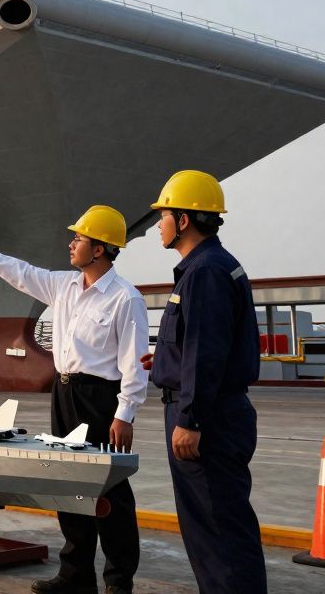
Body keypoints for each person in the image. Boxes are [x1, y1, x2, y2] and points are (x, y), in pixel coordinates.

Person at [0, 205, 148, 594]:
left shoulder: (126, 299)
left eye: (79, 238)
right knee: (68, 481)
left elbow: (134, 363)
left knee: (110, 490)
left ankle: (119, 581)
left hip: (101, 399)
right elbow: (20, 272)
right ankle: (76, 575)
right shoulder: (63, 286)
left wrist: (125, 414)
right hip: (65, 392)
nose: (71, 243)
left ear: (100, 249)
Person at [138, 170, 265, 594]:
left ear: (185, 219)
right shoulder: (212, 266)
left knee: (217, 531)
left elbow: (207, 352)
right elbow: (203, 343)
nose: (159, 224)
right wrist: (168, 359)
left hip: (206, 419)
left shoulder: (205, 272)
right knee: (214, 529)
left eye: (164, 214)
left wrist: (190, 419)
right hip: (213, 410)